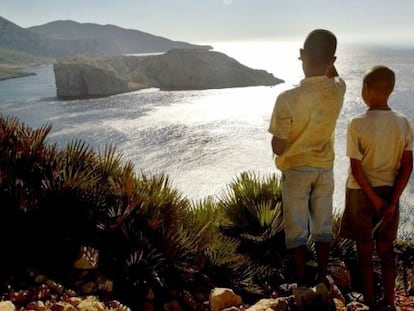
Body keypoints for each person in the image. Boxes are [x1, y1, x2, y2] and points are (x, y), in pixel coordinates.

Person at [268, 29, 346, 291]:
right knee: (323, 226)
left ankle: (302, 284)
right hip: (325, 169)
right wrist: (330, 64)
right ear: (331, 59)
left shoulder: (287, 99)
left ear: (301, 56)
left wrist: (281, 142)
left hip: (296, 171)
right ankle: (322, 278)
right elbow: (334, 77)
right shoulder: (338, 90)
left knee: (297, 229)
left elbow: (278, 147)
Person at [340, 65, 413, 310]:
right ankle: (390, 303)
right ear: (390, 90)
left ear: (366, 89)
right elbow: (407, 167)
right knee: (386, 250)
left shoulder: (356, 123)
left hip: (362, 194)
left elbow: (357, 169)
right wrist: (390, 202)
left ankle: (370, 301)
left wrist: (374, 200)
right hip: (389, 191)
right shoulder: (403, 123)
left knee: (364, 251)